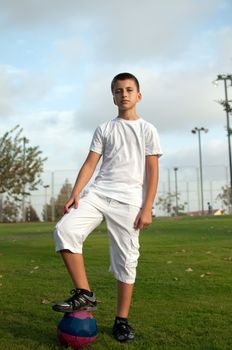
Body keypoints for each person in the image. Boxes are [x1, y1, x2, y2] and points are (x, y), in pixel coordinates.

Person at [52, 72, 162, 342]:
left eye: (128, 90)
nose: (123, 94)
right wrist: (75, 193)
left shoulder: (148, 129)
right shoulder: (104, 128)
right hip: (98, 194)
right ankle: (85, 294)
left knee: (126, 262)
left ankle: (121, 321)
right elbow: (90, 163)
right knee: (64, 229)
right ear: (112, 96)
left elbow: (152, 171)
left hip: (129, 202)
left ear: (138, 95)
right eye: (117, 91)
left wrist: (147, 208)